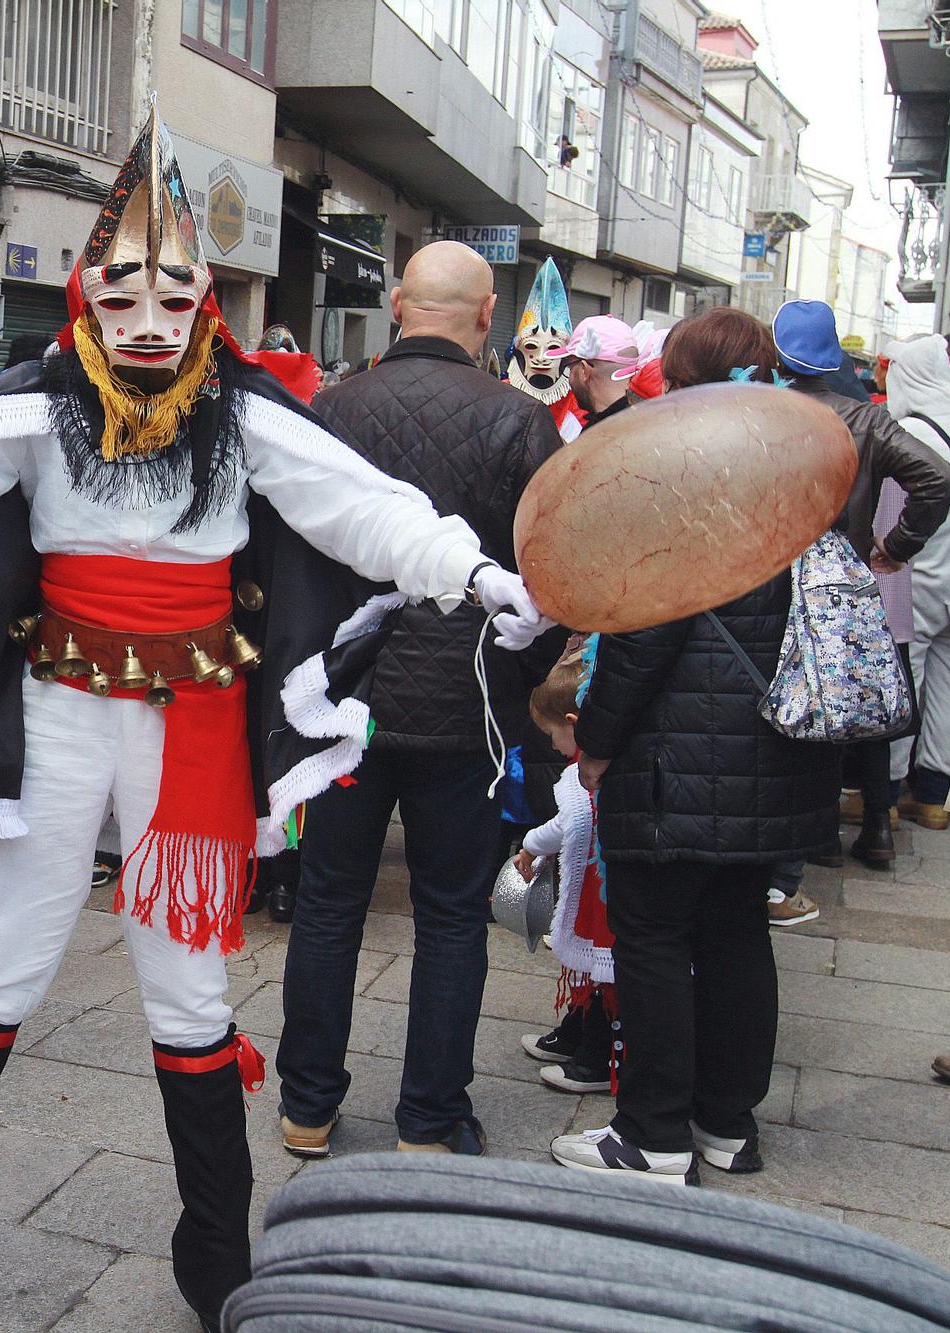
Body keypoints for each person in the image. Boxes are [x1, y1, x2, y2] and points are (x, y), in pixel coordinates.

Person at [0, 106, 548, 1329]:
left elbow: (364, 509)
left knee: (185, 989)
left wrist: (473, 573)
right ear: (86, 296)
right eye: (122, 297)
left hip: (191, 723)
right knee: (4, 956)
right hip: (59, 709)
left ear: (203, 306)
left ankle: (210, 1245)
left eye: (171, 300)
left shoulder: (243, 417)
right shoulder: (37, 404)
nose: (145, 322)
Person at [277, 240, 563, 1163]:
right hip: (467, 705)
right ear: (487, 318)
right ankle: (430, 1119)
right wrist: (526, 688)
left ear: (397, 305)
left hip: (345, 703)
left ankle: (308, 1106)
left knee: (327, 901)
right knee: (449, 911)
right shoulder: (522, 423)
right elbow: (548, 577)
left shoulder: (329, 408)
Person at [551, 307, 839, 1184]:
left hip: (675, 756)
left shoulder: (674, 474)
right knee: (736, 935)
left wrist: (595, 739)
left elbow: (642, 637)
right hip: (771, 751)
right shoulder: (803, 472)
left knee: (652, 937)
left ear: (679, 377)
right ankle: (726, 1123)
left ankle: (653, 1132)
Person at [774, 299, 950, 874]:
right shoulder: (867, 419)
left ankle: (812, 839)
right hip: (842, 587)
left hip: (767, 586)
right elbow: (936, 478)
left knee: (785, 708)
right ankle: (872, 828)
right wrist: (895, 547)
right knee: (850, 703)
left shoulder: (756, 411)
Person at [516, 642, 619, 1097]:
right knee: (594, 972)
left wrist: (529, 846)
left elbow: (567, 824)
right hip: (602, 887)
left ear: (574, 725)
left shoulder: (586, 771)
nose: (553, 747)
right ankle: (578, 1036)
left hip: (605, 896)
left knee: (604, 975)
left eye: (553, 735)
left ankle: (597, 1059)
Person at [881, 335, 950, 832]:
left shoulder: (911, 433)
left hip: (919, 582)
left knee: (903, 683)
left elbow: (891, 519)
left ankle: (887, 794)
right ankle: (932, 798)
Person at [504, 258, 582, 441]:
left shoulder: (578, 401)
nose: (541, 358)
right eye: (531, 346)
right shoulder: (502, 394)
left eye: (553, 348)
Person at [546, 314, 656, 428]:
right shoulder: (650, 422)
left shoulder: (602, 435)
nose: (569, 379)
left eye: (569, 367)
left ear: (584, 371)